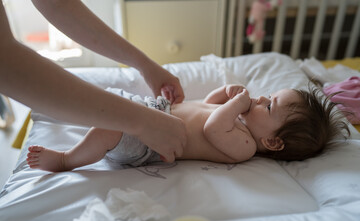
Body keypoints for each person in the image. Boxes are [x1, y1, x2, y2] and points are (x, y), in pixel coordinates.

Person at [0, 1, 186, 162]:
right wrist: (141, 121)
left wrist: (145, 65)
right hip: (148, 120)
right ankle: (65, 160)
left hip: (151, 124)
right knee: (106, 134)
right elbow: (5, 61)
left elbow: (57, 4)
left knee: (107, 134)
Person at [26, 84, 350, 172]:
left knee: (107, 130)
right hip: (153, 112)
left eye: (269, 105)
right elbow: (207, 107)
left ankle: (68, 159)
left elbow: (210, 127)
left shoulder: (245, 147)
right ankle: (52, 107)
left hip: (148, 146)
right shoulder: (237, 121)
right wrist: (222, 95)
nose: (261, 97)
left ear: (274, 142)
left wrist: (235, 105)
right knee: (102, 102)